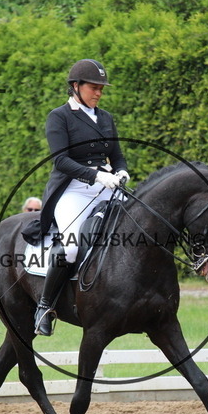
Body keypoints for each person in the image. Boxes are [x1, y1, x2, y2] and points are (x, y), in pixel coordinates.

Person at [34, 58, 130, 336]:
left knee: (138, 228)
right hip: (73, 190)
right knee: (71, 247)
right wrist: (96, 175)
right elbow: (61, 160)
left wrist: (122, 171)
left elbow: (117, 156)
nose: (99, 93)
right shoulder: (59, 116)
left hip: (107, 186)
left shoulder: (106, 117)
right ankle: (44, 306)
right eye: (94, 87)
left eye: (101, 88)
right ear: (75, 86)